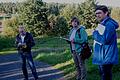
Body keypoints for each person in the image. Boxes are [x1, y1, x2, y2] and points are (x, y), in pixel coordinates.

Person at [92, 5, 119, 80]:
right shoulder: (103, 24)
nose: (97, 15)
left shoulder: (109, 25)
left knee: (106, 77)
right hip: (102, 56)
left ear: (106, 13)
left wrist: (94, 33)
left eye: (99, 13)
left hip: (106, 57)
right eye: (96, 13)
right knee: (104, 76)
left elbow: (105, 40)